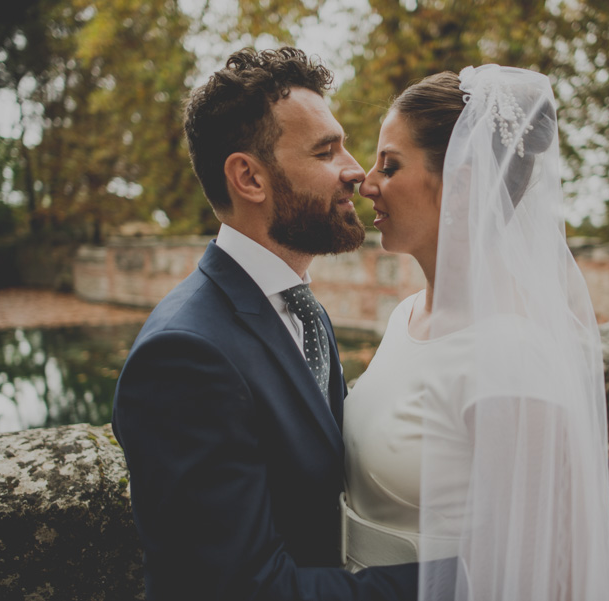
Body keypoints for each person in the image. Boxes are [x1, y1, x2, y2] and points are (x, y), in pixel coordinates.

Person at [111, 47, 418, 601]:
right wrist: (454, 582)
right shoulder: (185, 355)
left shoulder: (298, 304)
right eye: (327, 152)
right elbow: (242, 589)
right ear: (249, 177)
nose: (356, 171)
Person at [343, 65, 609, 599]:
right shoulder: (404, 319)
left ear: (463, 182)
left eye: (390, 166)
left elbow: (549, 574)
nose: (366, 183)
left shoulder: (512, 354)